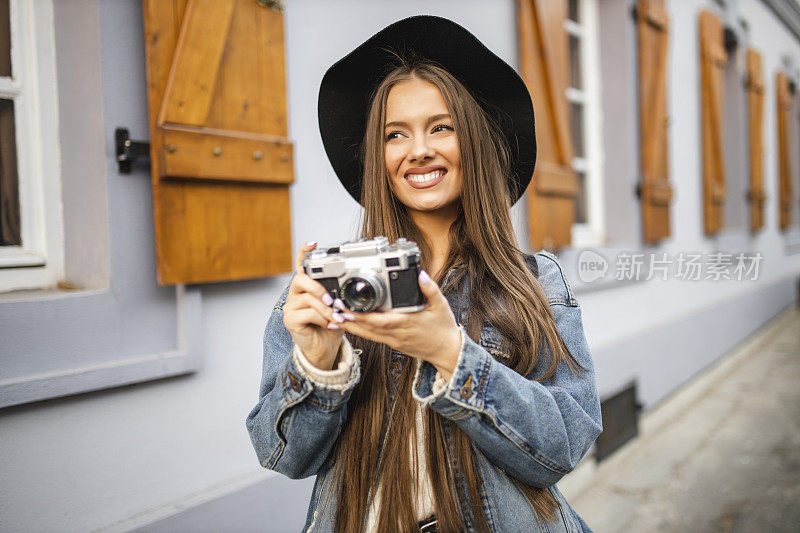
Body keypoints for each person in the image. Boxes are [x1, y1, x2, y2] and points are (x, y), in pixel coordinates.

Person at [246, 15, 602, 533]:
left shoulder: (534, 282)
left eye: (441, 127)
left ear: (473, 141)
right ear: (379, 154)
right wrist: (318, 365)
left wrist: (451, 354)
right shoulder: (336, 283)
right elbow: (284, 457)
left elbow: (564, 446)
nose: (419, 150)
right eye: (396, 134)